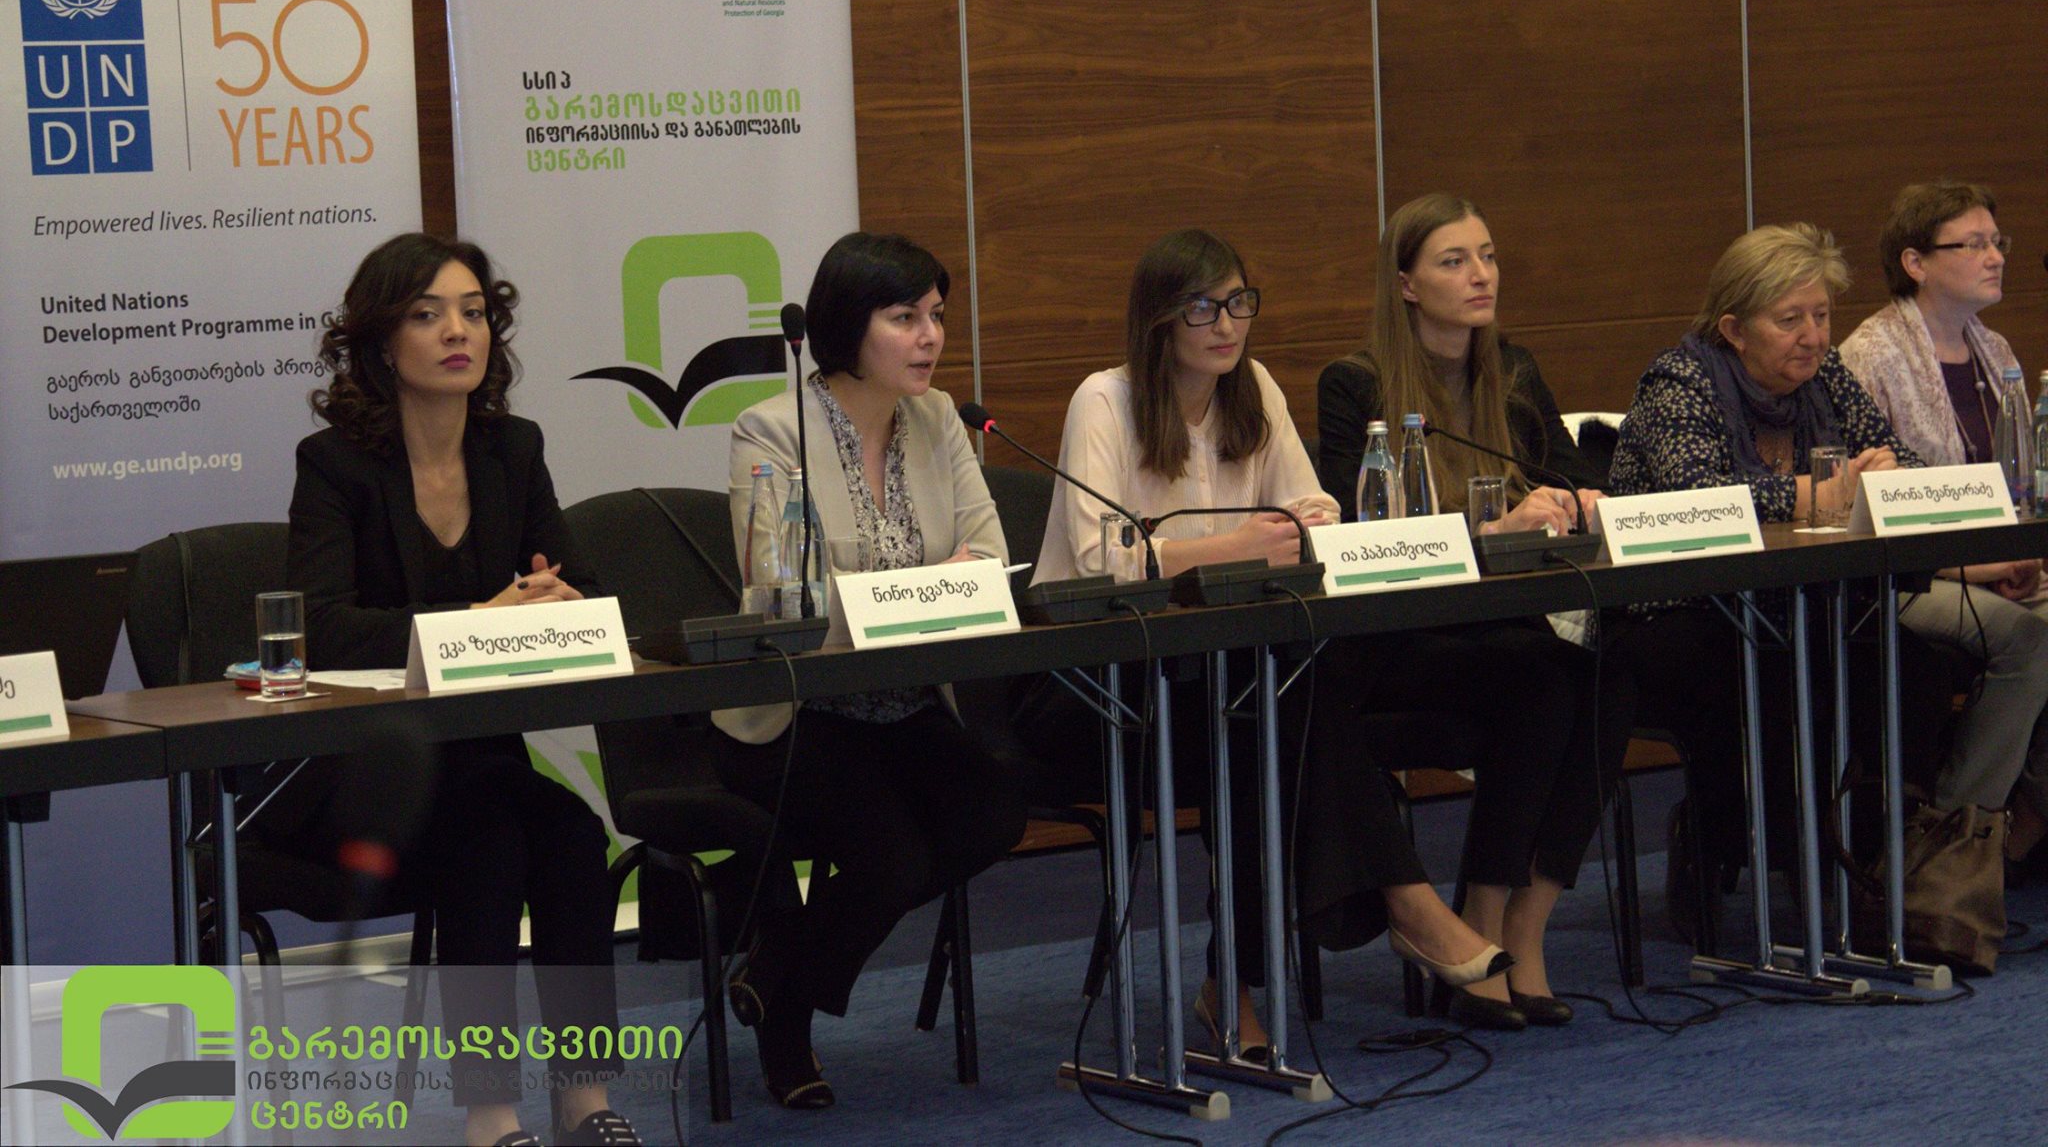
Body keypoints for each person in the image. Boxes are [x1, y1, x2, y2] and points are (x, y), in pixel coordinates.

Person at [1037, 227, 1509, 1056]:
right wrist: (1231, 547)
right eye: (1203, 307)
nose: (1227, 324)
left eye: (1239, 303)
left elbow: (1314, 508)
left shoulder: (1251, 389)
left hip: (1223, 674)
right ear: (1158, 319)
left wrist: (1284, 529)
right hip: (1101, 691)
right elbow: (1100, 557)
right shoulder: (1103, 401)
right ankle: (1396, 904)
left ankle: (1250, 977)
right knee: (1277, 728)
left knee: (1280, 720)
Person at [286, 233, 639, 1147]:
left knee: (572, 833)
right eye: (428, 313)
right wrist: (477, 614)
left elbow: (581, 584)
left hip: (480, 751)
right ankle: (491, 1115)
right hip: (367, 769)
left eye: (474, 312)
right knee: (486, 840)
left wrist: (564, 598)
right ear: (380, 340)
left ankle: (585, 1098)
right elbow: (323, 627)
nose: (458, 331)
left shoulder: (513, 449)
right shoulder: (334, 466)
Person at [714, 232, 1027, 1110]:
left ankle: (781, 960)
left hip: (903, 703)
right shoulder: (771, 430)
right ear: (849, 325)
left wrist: (887, 595)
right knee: (889, 856)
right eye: (904, 317)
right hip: (798, 713)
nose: (930, 336)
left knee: (993, 811)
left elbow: (989, 556)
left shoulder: (940, 420)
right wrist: (923, 587)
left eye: (936, 315)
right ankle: (787, 1025)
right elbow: (787, 598)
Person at [1316, 193, 1626, 1029]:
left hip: (1500, 629)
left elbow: (1569, 478)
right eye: (1454, 261)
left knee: (1602, 678)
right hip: (1399, 643)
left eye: (1487, 255)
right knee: (1543, 681)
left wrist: (1579, 501)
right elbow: (1361, 531)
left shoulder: (1513, 371)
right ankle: (1482, 923)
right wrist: (1490, 531)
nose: (1480, 274)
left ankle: (1515, 923)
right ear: (1406, 284)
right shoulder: (1354, 384)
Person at [1606, 222, 1934, 935]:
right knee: (1768, 668)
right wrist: (1819, 494)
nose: (1813, 337)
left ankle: (1866, 860)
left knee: (1899, 660)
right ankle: (1749, 847)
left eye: (1821, 315)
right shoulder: (1679, 382)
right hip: (1674, 612)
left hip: (1795, 604)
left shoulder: (1826, 376)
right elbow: (1699, 495)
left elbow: (1900, 459)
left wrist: (1888, 472)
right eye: (1790, 320)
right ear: (1733, 328)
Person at [1840, 181, 2048, 870]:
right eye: (1975, 244)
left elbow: (2016, 489)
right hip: (1904, 578)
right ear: (1916, 262)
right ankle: (1950, 847)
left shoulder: (1996, 351)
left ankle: (2025, 823)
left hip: (1997, 566)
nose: (1996, 256)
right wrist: (1988, 567)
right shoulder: (1870, 356)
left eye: (1998, 241)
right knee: (2030, 640)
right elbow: (1874, 517)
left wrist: (2018, 558)